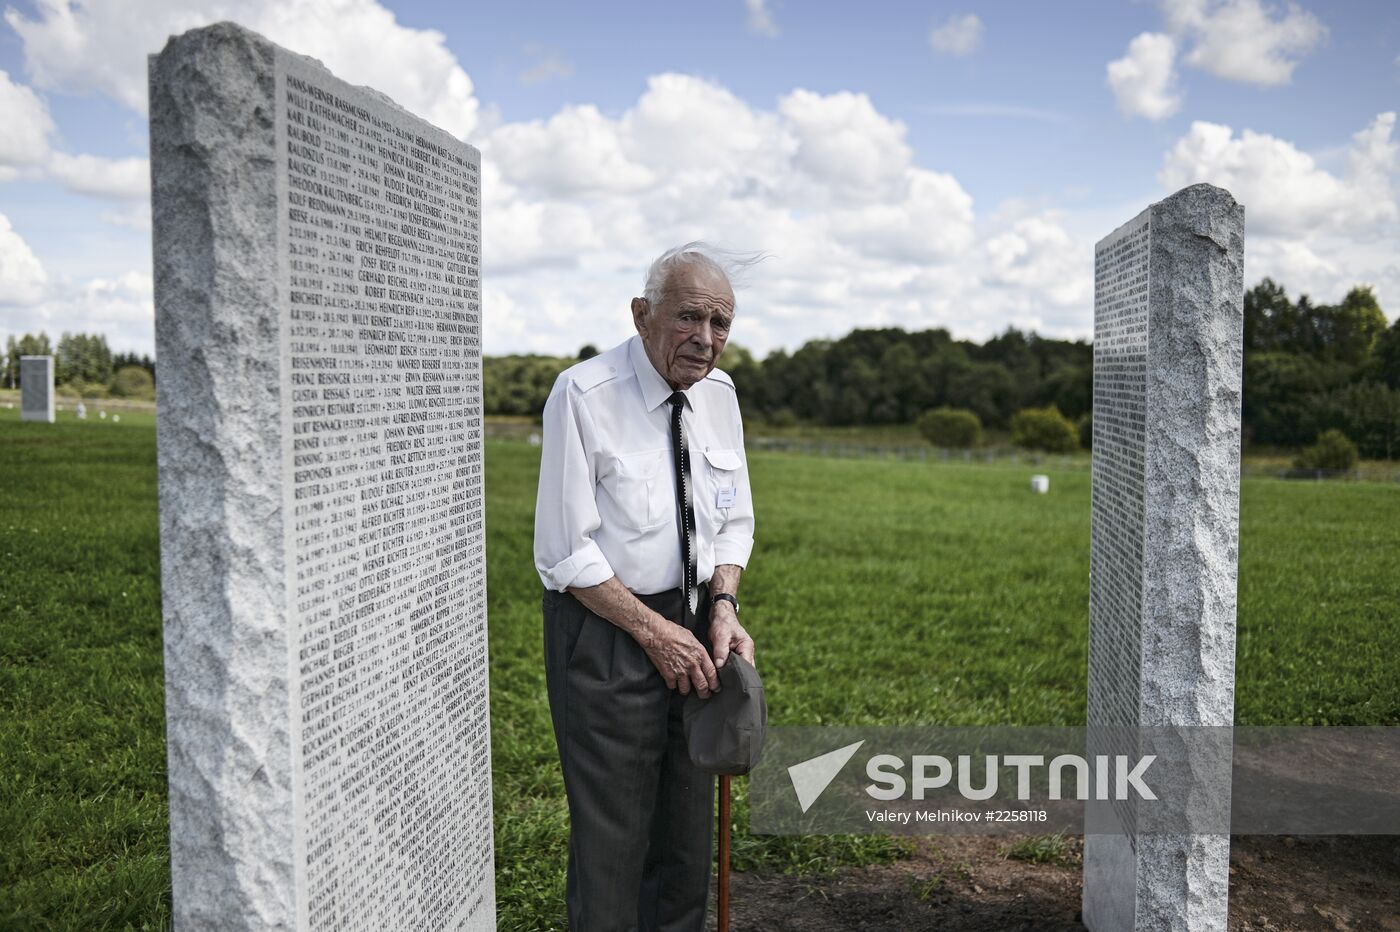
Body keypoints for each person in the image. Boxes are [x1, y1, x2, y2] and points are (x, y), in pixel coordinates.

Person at [534, 242, 758, 931]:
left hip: (694, 625)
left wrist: (721, 604)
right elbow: (565, 553)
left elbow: (732, 518)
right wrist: (653, 632)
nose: (705, 338)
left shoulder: (719, 395)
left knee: (686, 838)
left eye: (720, 323)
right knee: (614, 842)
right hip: (606, 629)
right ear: (642, 314)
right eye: (689, 316)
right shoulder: (584, 394)